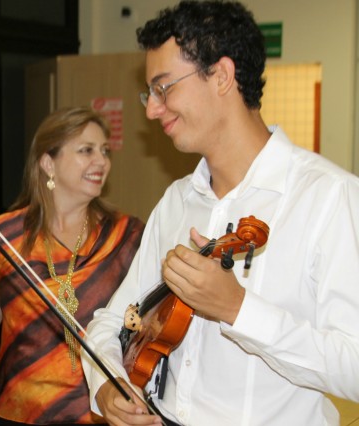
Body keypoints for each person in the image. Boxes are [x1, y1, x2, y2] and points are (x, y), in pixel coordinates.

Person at [82, 1, 359, 425]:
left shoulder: (328, 197)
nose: (152, 110)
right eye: (149, 93)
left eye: (164, 88)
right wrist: (106, 384)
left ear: (222, 76)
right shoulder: (176, 201)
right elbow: (113, 320)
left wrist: (238, 309)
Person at [0, 106, 145, 425]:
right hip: (15, 411)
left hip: (96, 414)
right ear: (48, 163)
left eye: (104, 151)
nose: (101, 161)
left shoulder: (128, 234)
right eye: (86, 150)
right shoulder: (5, 233)